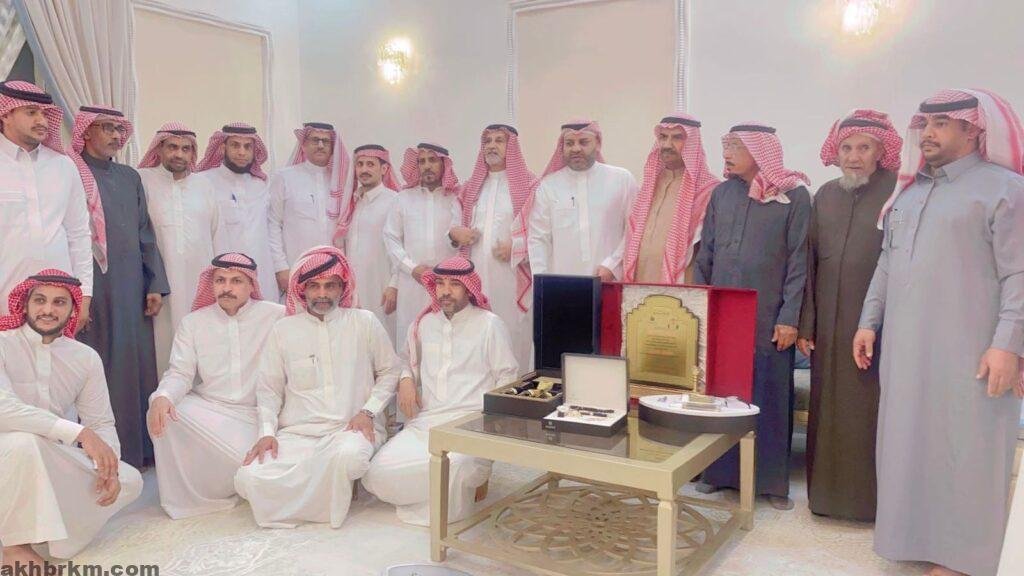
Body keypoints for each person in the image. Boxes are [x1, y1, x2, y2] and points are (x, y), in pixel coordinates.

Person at [853, 89, 1024, 576]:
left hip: (972, 349)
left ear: (973, 129)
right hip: (906, 350)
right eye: (924, 124)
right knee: (908, 442)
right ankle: (914, 539)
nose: (927, 134)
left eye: (941, 124)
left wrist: (1008, 345)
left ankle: (965, 559)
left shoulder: (1006, 189)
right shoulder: (908, 193)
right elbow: (887, 262)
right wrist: (868, 321)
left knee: (967, 447)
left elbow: (1019, 273)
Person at [234, 246, 402, 528]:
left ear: (342, 288)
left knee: (350, 459)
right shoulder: (283, 330)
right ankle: (320, 498)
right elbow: (268, 390)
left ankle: (303, 501)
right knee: (247, 478)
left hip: (349, 430)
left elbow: (391, 370)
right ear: (302, 290)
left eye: (330, 286)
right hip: (298, 433)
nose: (322, 294)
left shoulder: (364, 322)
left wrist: (368, 412)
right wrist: (266, 433)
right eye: (314, 286)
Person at [694, 122, 811, 510]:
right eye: (725, 145)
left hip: (768, 318)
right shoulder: (721, 194)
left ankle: (772, 484)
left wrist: (790, 317)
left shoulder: (794, 196)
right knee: (722, 397)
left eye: (736, 147)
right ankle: (718, 474)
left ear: (761, 151)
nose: (726, 154)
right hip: (724, 315)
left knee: (770, 397)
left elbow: (799, 262)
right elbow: (706, 253)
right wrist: (700, 304)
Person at [796, 109, 902, 522]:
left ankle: (870, 504)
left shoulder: (898, 192)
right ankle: (826, 499)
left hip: (877, 326)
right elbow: (809, 263)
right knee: (827, 410)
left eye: (863, 148)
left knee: (868, 410)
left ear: (881, 152)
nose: (853, 157)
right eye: (846, 148)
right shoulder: (825, 195)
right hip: (828, 325)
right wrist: (807, 323)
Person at [0, 270, 143, 567]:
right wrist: (79, 433)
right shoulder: (3, 343)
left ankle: (46, 529)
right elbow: (4, 409)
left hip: (48, 454)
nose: (48, 310)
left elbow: (100, 422)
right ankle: (15, 546)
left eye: (59, 302)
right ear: (25, 304)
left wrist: (108, 467)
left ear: (73, 309)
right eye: (40, 300)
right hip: (7, 451)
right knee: (24, 443)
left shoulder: (85, 358)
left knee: (130, 480)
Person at [363, 256, 518, 525]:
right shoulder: (424, 324)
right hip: (426, 424)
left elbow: (508, 376)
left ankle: (447, 490)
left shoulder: (489, 324)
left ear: (469, 288)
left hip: (471, 425)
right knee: (374, 475)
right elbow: (404, 361)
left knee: (455, 465)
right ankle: (446, 491)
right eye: (440, 284)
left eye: (454, 284)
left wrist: (490, 426)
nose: (445, 291)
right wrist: (406, 380)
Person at [148, 253, 284, 519]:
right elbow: (180, 373)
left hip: (259, 413)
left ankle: (241, 474)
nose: (227, 288)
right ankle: (192, 498)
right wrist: (163, 396)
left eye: (236, 281)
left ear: (251, 284)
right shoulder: (193, 323)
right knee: (162, 408)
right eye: (220, 280)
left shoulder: (276, 316)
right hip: (211, 411)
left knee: (266, 471)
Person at [71, 105, 169, 467]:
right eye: (107, 128)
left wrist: (154, 283)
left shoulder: (129, 177)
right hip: (88, 286)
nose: (116, 136)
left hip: (130, 284)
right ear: (86, 131)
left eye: (119, 129)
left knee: (133, 363)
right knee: (94, 363)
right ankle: (95, 454)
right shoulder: (71, 171)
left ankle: (137, 451)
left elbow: (145, 232)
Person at [0, 81, 92, 321]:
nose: (42, 120)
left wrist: (84, 295)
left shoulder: (64, 166)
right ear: (6, 114)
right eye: (31, 112)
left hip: (57, 301)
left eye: (45, 113)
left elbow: (79, 234)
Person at [138, 122, 223, 378]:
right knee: (162, 341)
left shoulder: (204, 185)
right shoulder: (143, 180)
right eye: (172, 147)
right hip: (159, 284)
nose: (179, 154)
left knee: (200, 340)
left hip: (199, 282)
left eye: (186, 149)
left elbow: (217, 233)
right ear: (159, 149)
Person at [448, 124, 537, 369]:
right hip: (475, 277)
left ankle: (517, 389)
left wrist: (517, 248)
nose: (492, 146)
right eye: (487, 141)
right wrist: (455, 234)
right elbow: (454, 226)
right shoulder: (470, 188)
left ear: (512, 147)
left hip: (511, 278)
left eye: (499, 140)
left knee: (512, 336)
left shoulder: (530, 185)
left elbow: (542, 231)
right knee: (476, 338)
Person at [527, 120, 637, 280]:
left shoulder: (622, 180)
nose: (576, 148)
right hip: (561, 283)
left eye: (583, 142)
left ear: (598, 144)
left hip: (609, 279)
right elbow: (538, 238)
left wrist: (612, 264)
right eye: (569, 143)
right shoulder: (548, 186)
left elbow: (634, 228)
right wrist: (541, 281)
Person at [623, 114, 719, 284]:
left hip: (682, 285)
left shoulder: (708, 191)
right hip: (640, 281)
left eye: (677, 138)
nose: (667, 144)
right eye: (663, 137)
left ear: (692, 143)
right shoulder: (649, 184)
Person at [383, 142, 460, 347]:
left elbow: (458, 239)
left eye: (432, 160)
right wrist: (412, 268)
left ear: (444, 164)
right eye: (422, 161)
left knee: (445, 341)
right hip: (411, 282)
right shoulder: (403, 199)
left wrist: (445, 271)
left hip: (447, 283)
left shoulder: (455, 199)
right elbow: (391, 238)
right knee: (410, 340)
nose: (427, 166)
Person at [267, 122, 350, 296]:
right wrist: (280, 267)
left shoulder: (342, 181)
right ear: (303, 145)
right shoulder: (284, 177)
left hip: (333, 270)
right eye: (314, 140)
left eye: (325, 141)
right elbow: (273, 223)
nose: (320, 145)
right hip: (295, 267)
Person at [196, 123, 277, 294]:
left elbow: (273, 228)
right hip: (223, 272)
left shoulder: (261, 184)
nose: (242, 152)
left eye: (248, 147)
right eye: (235, 145)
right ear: (222, 148)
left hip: (262, 271)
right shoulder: (203, 182)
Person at [334, 144, 401, 342]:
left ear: (384, 169)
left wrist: (394, 285)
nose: (364, 169)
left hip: (382, 285)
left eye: (370, 164)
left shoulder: (395, 201)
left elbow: (402, 247)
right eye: (360, 164)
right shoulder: (353, 203)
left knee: (385, 339)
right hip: (353, 287)